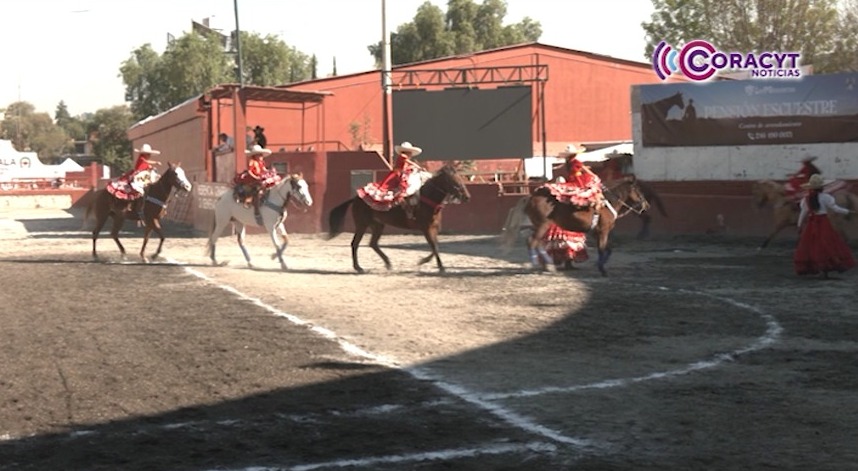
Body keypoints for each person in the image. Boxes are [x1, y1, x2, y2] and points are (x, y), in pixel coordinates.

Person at [793, 174, 856, 279]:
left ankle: (818, 267)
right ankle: (826, 269)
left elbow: (803, 213)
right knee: (828, 243)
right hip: (823, 222)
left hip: (811, 223)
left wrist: (799, 225)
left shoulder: (806, 199)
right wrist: (848, 211)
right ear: (822, 187)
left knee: (812, 245)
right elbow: (836, 209)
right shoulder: (826, 197)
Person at [356, 141, 424, 218]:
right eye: (409, 152)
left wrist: (413, 168)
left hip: (401, 173)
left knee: (403, 188)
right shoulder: (403, 156)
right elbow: (407, 163)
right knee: (398, 188)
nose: (410, 154)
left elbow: (406, 166)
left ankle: (405, 205)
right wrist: (417, 166)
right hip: (398, 174)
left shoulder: (404, 157)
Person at [233, 144, 280, 217]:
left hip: (259, 178)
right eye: (259, 155)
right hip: (253, 180)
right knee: (258, 191)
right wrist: (256, 177)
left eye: (261, 155)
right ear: (255, 155)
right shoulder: (252, 162)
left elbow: (264, 169)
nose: (261, 156)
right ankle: (256, 210)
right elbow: (250, 172)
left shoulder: (261, 162)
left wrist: (269, 172)